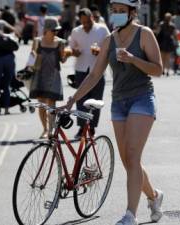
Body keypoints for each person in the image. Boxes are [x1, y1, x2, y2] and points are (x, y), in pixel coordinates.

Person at [61, 0, 164, 224]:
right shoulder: (109, 40)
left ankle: (130, 215)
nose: (116, 15)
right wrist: (72, 99)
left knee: (134, 155)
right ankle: (154, 197)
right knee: (129, 161)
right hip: (119, 102)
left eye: (121, 11)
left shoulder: (144, 34)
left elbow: (158, 69)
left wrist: (134, 59)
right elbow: (94, 74)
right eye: (114, 11)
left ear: (132, 12)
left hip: (142, 99)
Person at [68, 8, 110, 139]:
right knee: (80, 100)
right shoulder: (76, 31)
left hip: (98, 69)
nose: (86, 24)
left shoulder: (102, 29)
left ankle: (92, 128)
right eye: (83, 22)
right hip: (81, 68)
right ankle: (82, 128)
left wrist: (101, 51)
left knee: (96, 100)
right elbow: (70, 47)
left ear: (92, 17)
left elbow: (110, 46)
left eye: (88, 21)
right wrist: (74, 52)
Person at [30, 17, 67, 139]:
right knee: (41, 105)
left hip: (54, 76)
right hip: (40, 75)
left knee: (51, 104)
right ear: (46, 30)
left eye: (57, 30)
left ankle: (51, 129)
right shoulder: (37, 41)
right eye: (53, 30)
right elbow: (32, 59)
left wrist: (66, 53)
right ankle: (45, 129)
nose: (56, 32)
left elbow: (63, 60)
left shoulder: (60, 42)